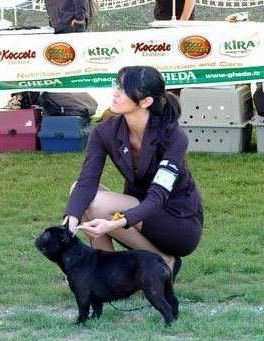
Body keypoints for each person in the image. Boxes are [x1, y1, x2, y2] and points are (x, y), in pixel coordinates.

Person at [63, 66, 203, 281]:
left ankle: (164, 261)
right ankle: (107, 276)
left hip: (178, 222)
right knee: (79, 194)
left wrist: (116, 222)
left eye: (124, 89)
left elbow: (157, 197)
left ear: (146, 101)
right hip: (137, 212)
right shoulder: (104, 131)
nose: (115, 93)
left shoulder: (174, 136)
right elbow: (86, 182)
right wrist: (70, 221)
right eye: (116, 86)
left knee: (98, 204)